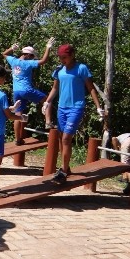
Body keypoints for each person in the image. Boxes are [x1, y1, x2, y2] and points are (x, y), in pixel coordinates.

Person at [43, 44, 104, 184]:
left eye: (64, 57)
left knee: (66, 138)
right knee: (60, 137)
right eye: (60, 57)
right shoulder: (59, 70)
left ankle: (63, 172)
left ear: (72, 55)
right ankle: (66, 167)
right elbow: (55, 88)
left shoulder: (81, 68)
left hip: (76, 108)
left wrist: (98, 107)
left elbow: (91, 88)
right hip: (61, 108)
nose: (62, 60)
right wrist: (47, 102)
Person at [0, 64, 27, 198]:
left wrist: (12, 107)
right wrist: (21, 118)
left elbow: (1, 110)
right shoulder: (1, 95)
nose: (5, 79)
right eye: (4, 77)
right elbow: (8, 116)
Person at [2, 37, 56, 144]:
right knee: (47, 99)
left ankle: (17, 139)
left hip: (16, 91)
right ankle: (48, 122)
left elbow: (4, 54)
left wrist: (11, 48)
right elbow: (44, 60)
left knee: (18, 114)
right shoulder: (28, 63)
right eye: (32, 56)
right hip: (26, 89)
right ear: (27, 55)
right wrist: (48, 47)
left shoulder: (14, 61)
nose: (32, 58)